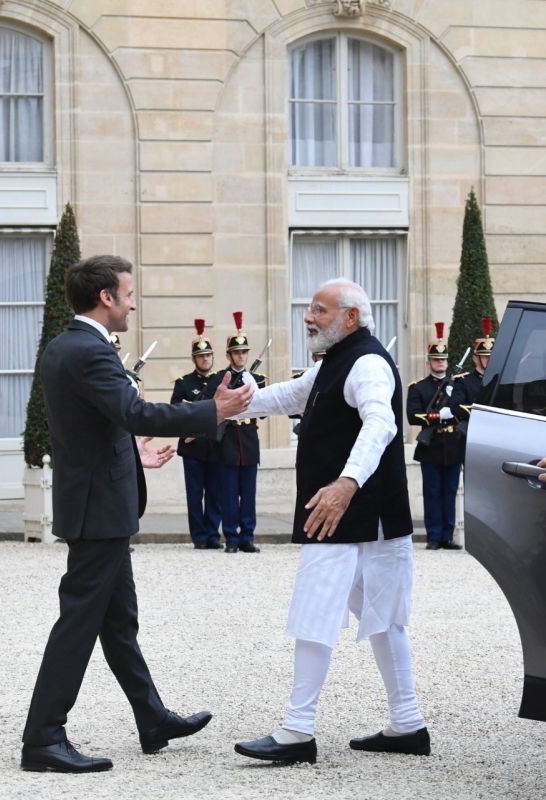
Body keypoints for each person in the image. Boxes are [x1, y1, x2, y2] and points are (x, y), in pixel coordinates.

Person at [21, 255, 253, 774]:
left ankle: (151, 719)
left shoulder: (67, 346)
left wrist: (134, 453)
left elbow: (96, 426)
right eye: (128, 293)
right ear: (106, 297)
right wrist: (212, 411)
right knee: (78, 622)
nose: (132, 301)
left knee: (117, 621)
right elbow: (136, 413)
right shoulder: (90, 351)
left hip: (100, 503)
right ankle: (42, 738)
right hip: (99, 510)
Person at [232, 278, 429, 765]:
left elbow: (381, 424)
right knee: (383, 622)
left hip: (346, 511)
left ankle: (297, 733)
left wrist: (345, 484)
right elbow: (285, 397)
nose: (309, 317)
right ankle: (407, 725)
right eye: (309, 309)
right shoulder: (334, 363)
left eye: (319, 310)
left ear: (350, 318)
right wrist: (228, 405)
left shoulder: (366, 363)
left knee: (318, 613)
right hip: (362, 516)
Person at [209, 312, 266, 554]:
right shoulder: (221, 378)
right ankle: (231, 537)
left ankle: (248, 536)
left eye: (244, 352)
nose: (241, 356)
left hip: (249, 440)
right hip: (230, 441)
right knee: (229, 493)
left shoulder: (257, 379)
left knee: (249, 493)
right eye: (237, 352)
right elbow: (210, 404)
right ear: (230, 355)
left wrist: (251, 384)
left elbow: (263, 411)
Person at [406, 323, 464, 550]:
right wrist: (436, 416)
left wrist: (452, 407)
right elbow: (413, 416)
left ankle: (447, 536)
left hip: (452, 444)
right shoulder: (418, 388)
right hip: (431, 444)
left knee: (449, 491)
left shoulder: (456, 386)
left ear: (447, 362)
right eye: (436, 360)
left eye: (443, 360)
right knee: (432, 492)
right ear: (428, 362)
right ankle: (433, 536)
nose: (440, 363)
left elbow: (462, 410)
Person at [170, 319, 222, 550]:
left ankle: (212, 534)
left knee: (215, 492)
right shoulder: (184, 384)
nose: (205, 359)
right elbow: (175, 413)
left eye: (209, 356)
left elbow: (224, 413)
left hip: (214, 444)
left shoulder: (220, 381)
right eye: (201, 356)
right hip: (192, 448)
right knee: (195, 494)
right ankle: (199, 537)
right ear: (194, 359)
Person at [450, 317, 495, 433]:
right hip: (472, 432)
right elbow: (456, 406)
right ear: (475, 358)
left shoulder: (497, 381)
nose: (489, 359)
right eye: (485, 356)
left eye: (491, 356)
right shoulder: (464, 382)